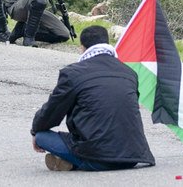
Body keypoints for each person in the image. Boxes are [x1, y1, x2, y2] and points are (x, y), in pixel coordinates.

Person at [31, 25, 155, 171]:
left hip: (97, 157)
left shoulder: (73, 73)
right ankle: (70, 161)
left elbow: (51, 112)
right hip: (132, 157)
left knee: (42, 137)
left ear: (82, 48)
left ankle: (75, 162)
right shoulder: (129, 73)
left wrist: (36, 131)